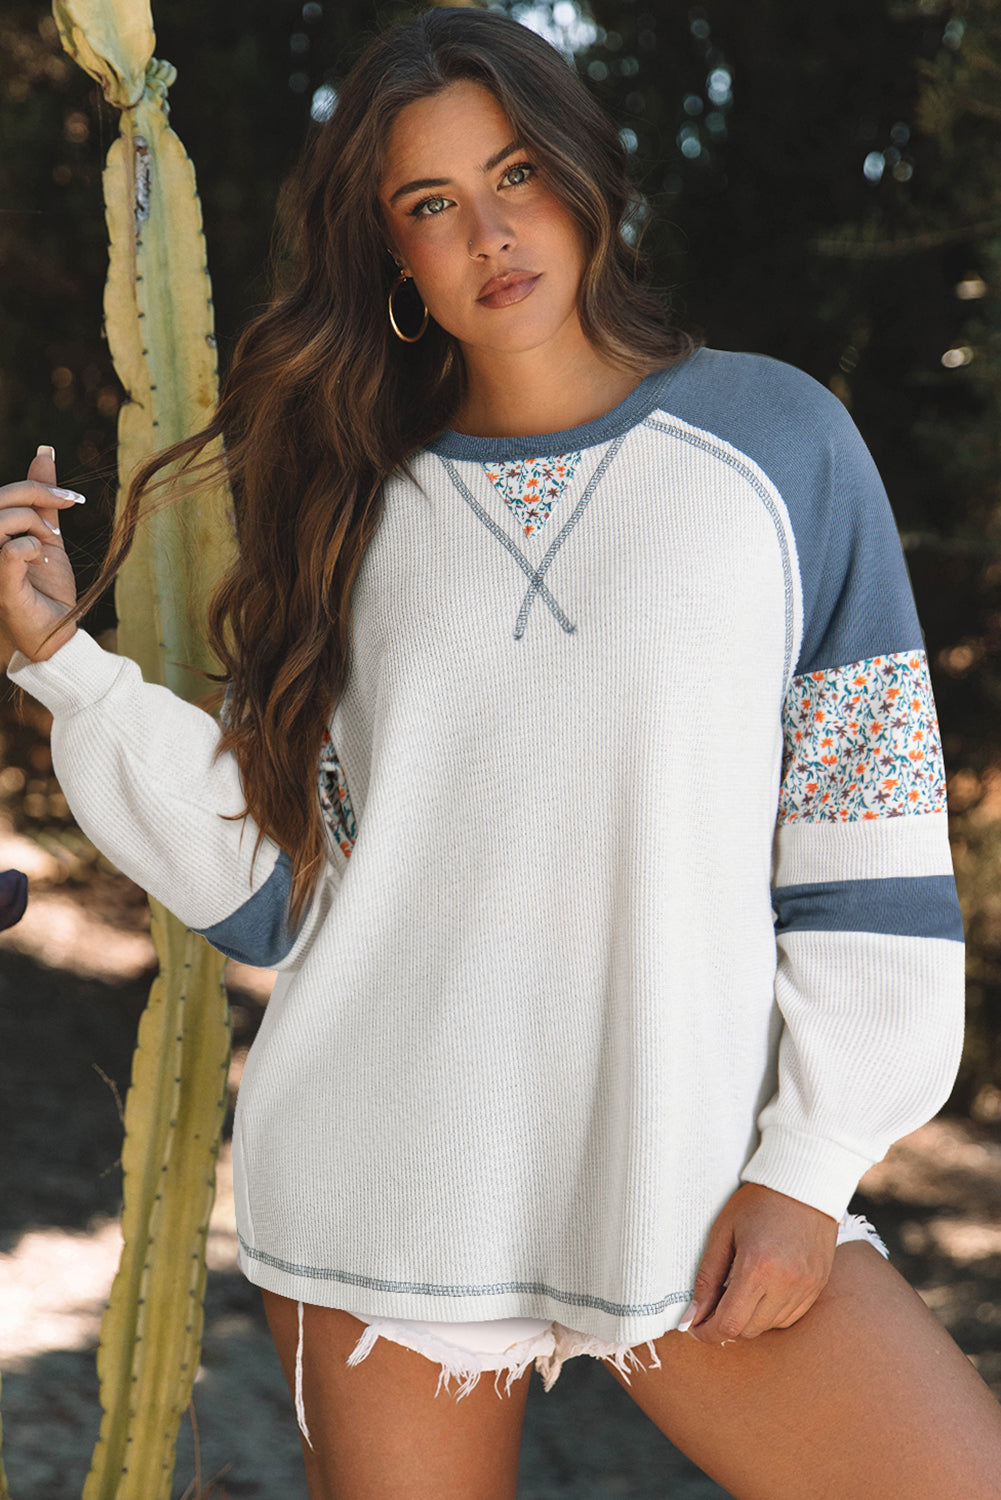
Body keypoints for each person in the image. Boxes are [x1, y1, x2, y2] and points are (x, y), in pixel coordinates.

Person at [2, 8, 1000, 1497]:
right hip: (387, 1179)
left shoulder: (776, 445)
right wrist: (60, 667)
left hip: (694, 1168)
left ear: (588, 178)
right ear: (390, 255)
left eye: (516, 173)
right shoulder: (354, 503)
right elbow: (286, 876)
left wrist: (806, 1166)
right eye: (430, 204)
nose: (489, 231)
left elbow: (863, 826)